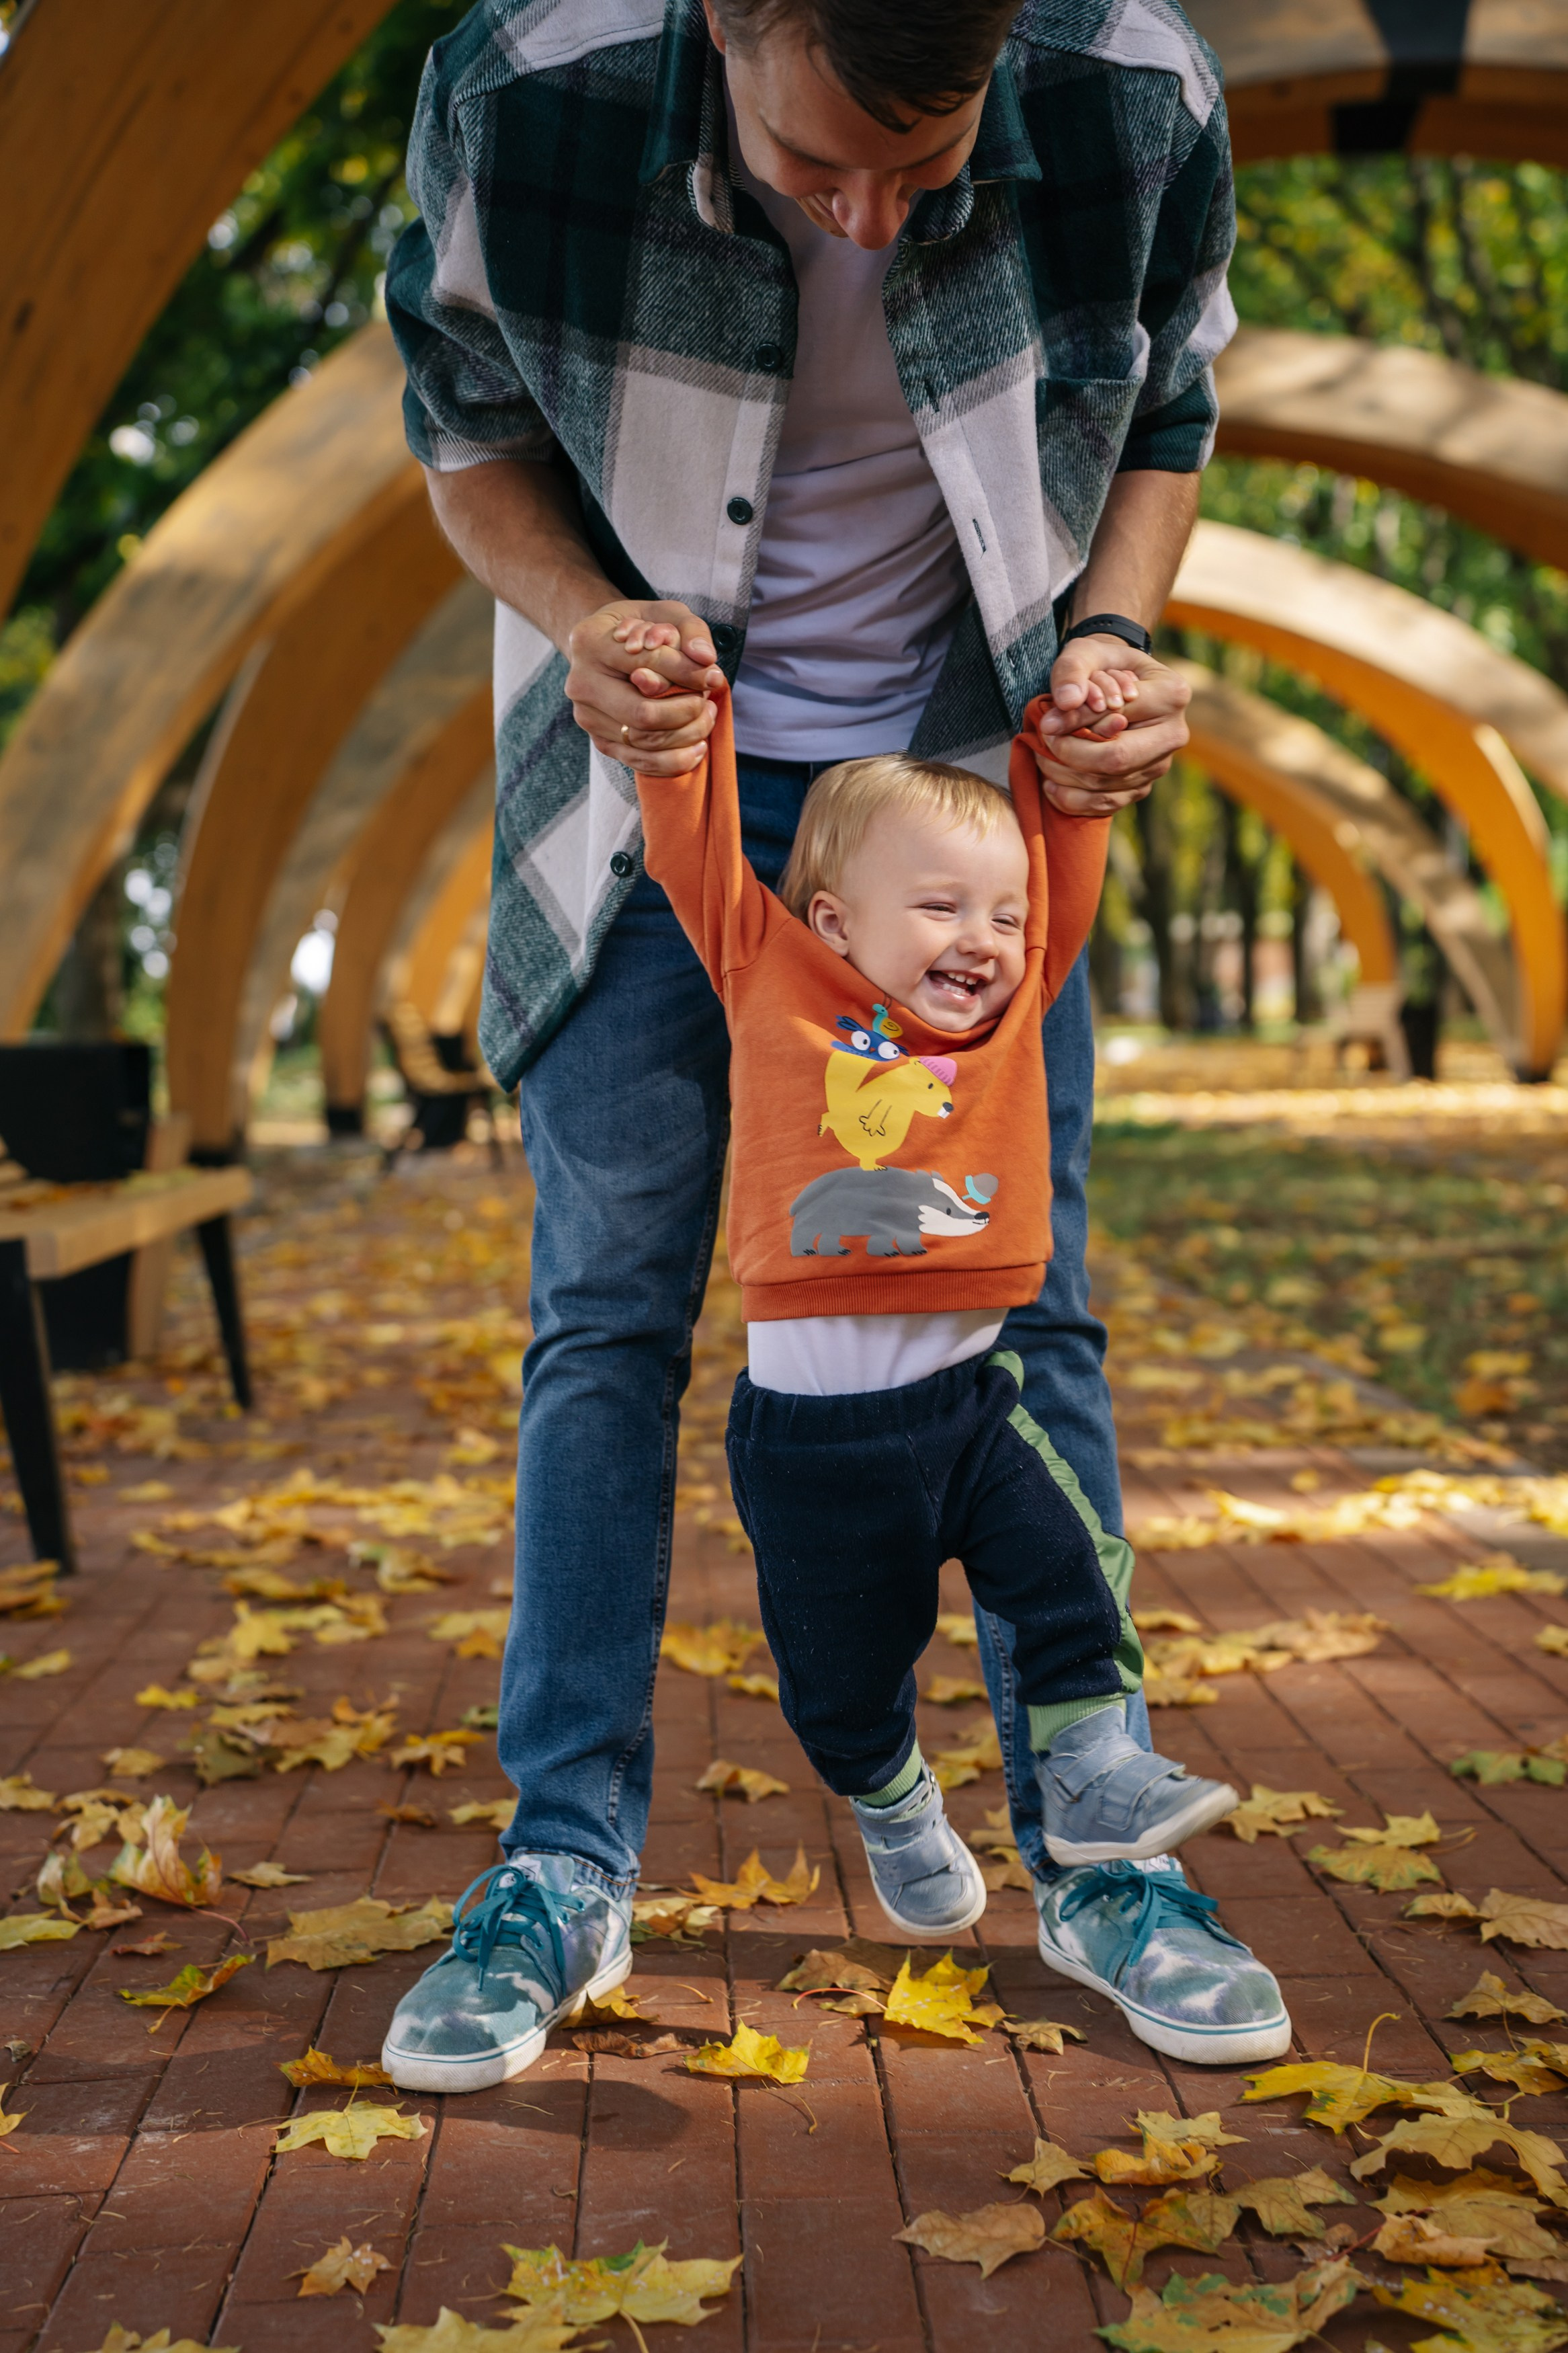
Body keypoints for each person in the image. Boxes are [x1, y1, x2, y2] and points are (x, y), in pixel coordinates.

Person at [379, 0, 1292, 2096]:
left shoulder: (1128, 89)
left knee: (1032, 1311)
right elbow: (460, 419)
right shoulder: (526, 90)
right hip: (659, 785)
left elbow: (1169, 400)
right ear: (728, 16)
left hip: (965, 801)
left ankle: (1099, 1854)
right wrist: (588, 620)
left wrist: (1113, 638)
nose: (871, 220)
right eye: (813, 170)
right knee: (607, 1315)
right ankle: (560, 1858)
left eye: (928, 162)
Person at [631, 687, 1242, 1937]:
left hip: (972, 1410)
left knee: (1075, 1577)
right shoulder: (768, 973)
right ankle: (893, 1798)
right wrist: (680, 718)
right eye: (942, 907)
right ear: (832, 921)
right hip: (815, 1452)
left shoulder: (1010, 1020)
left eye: (1005, 915)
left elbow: (1066, 865)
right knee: (841, 1690)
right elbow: (688, 844)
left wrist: (1072, 748)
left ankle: (1091, 1767)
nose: (986, 939)